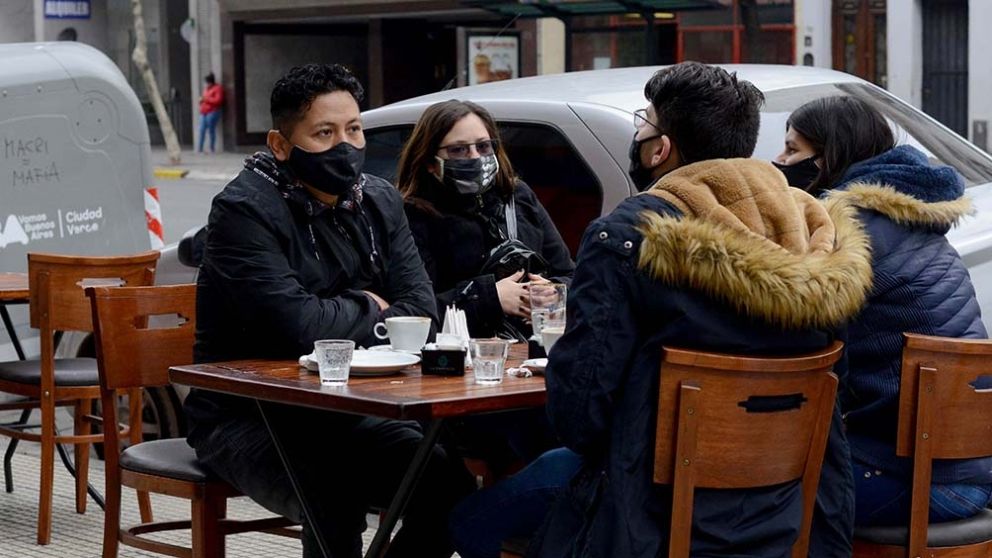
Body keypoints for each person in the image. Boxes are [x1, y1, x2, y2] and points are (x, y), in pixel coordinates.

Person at [451, 62, 873, 558]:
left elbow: (580, 415)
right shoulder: (813, 234)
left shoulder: (630, 236)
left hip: (648, 514)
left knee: (467, 521)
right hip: (785, 512)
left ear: (660, 148)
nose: (638, 134)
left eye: (643, 122)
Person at [183, 63, 474, 558]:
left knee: (452, 489)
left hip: (350, 410)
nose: (345, 146)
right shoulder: (244, 209)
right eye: (324, 133)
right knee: (333, 503)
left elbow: (420, 310)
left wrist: (339, 313)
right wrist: (369, 304)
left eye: (354, 129)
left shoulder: (378, 200)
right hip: (249, 415)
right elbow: (299, 327)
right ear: (280, 145)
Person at [774, 95, 991, 527]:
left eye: (793, 150)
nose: (780, 162)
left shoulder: (851, 227)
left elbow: (802, 336)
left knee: (755, 503)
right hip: (967, 467)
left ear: (828, 157)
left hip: (917, 478)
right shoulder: (906, 216)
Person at [395, 99, 574, 341]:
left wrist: (552, 292)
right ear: (429, 162)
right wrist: (490, 297)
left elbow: (571, 276)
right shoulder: (411, 215)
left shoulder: (518, 197)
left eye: (483, 146)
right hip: (460, 363)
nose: (475, 157)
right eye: (458, 150)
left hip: (530, 356)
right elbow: (413, 312)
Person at [198, 72, 224, 153]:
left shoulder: (217, 88)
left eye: (207, 82)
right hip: (204, 112)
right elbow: (204, 98)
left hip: (212, 111)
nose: (206, 84)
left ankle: (212, 148)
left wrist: (206, 99)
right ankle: (200, 148)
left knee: (211, 130)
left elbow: (218, 100)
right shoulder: (206, 89)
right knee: (202, 130)